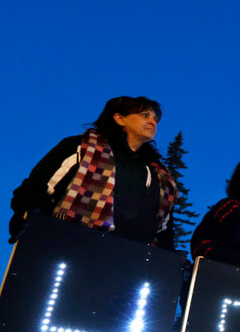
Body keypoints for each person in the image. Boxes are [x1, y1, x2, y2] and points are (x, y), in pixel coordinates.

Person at [9, 96, 176, 249]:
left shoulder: (157, 173)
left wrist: (167, 256)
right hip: (70, 244)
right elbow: (38, 186)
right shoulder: (81, 148)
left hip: (130, 259)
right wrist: (26, 218)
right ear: (119, 118)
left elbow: (164, 224)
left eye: (155, 118)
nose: (153, 122)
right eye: (145, 115)